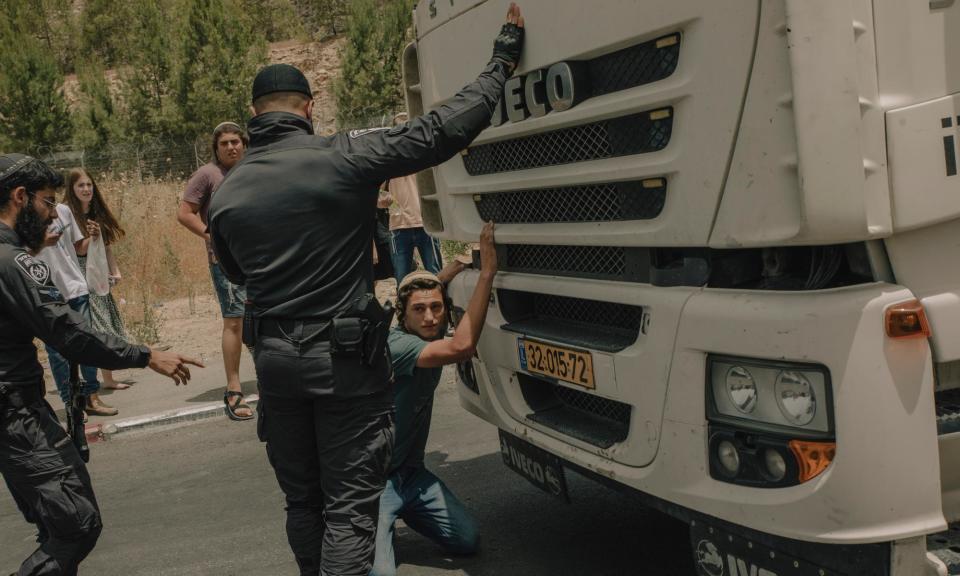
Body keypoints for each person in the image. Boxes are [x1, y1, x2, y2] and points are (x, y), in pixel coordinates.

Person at [207, 6, 525, 575]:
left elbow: (235, 273)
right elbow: (440, 131)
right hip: (344, 364)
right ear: (308, 109)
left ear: (253, 117)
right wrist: (501, 62)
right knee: (351, 511)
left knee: (304, 502)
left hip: (276, 365)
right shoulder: (343, 156)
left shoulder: (227, 193)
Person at [0, 153, 200, 576]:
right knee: (76, 525)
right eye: (47, 203)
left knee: (52, 524)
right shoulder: (14, 262)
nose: (53, 216)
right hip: (15, 414)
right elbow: (69, 333)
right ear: (20, 197)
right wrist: (146, 355)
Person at [371, 222, 497, 576]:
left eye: (437, 308)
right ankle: (369, 527)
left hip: (411, 476)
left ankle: (397, 517)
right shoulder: (398, 346)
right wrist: (487, 272)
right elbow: (462, 346)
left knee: (467, 540)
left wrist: (456, 265)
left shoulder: (425, 326)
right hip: (375, 483)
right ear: (402, 314)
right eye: (419, 310)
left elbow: (428, 292)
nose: (430, 317)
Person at [176, 121, 254, 421]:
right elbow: (184, 213)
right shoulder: (207, 174)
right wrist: (212, 237)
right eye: (225, 143)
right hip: (225, 262)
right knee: (234, 322)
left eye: (236, 142)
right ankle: (234, 388)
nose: (232, 147)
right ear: (216, 148)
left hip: (256, 259)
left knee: (261, 317)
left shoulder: (249, 169)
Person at [35, 187, 116, 416]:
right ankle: (71, 403)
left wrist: (94, 236)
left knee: (86, 343)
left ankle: (92, 397)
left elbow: (78, 248)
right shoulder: (23, 219)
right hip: (46, 293)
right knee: (58, 353)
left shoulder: (63, 211)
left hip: (75, 287)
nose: (51, 206)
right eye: (46, 199)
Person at [64, 168, 132, 391]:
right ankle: (101, 379)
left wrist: (115, 270)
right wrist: (91, 237)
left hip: (98, 272)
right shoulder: (69, 215)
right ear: (72, 190)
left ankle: (107, 377)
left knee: (103, 323)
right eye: (80, 186)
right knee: (95, 326)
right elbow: (79, 250)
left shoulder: (94, 212)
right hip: (82, 273)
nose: (86, 189)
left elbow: (106, 246)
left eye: (89, 185)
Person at [380, 112, 444, 284]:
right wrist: (383, 201)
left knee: (436, 276)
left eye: (407, 127)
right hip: (399, 228)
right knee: (402, 280)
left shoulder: (425, 153)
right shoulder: (388, 159)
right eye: (400, 128)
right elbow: (376, 193)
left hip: (426, 225)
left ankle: (443, 308)